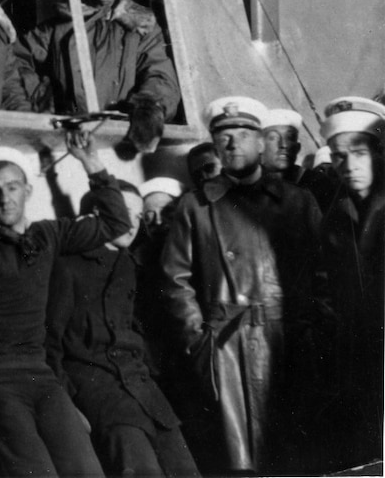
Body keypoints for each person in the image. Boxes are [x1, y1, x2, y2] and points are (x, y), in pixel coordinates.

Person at [0, 137, 130, 476]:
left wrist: (92, 163)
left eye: (12, 187)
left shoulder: (47, 234)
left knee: (87, 470)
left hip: (42, 376)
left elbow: (117, 223)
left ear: (28, 191)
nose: (3, 199)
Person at [160, 95, 323, 475]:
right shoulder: (195, 207)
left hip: (289, 342)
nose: (232, 143)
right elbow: (174, 281)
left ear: (262, 140)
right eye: (223, 135)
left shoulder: (298, 202)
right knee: (243, 465)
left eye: (243, 133)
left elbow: (322, 276)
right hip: (227, 351)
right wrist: (201, 344)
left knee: (298, 456)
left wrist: (317, 332)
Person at [46, 179, 199, 477]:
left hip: (140, 386)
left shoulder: (130, 266)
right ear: (96, 216)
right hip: (96, 388)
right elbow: (49, 345)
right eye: (124, 212)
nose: (133, 223)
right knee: (139, 466)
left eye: (139, 215)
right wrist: (67, 406)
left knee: (184, 467)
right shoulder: (68, 267)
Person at [11, 0, 180, 130]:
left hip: (121, 132)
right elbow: (15, 60)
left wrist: (148, 108)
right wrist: (42, 96)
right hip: (69, 131)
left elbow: (159, 74)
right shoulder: (60, 26)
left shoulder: (142, 28)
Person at [313, 96, 385, 471]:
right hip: (360, 359)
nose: (348, 165)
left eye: (359, 152)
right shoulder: (335, 221)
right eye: (338, 155)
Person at [261, 108, 305, 183]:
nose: (284, 145)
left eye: (290, 138)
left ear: (298, 147)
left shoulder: (313, 182)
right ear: (260, 145)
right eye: (273, 138)